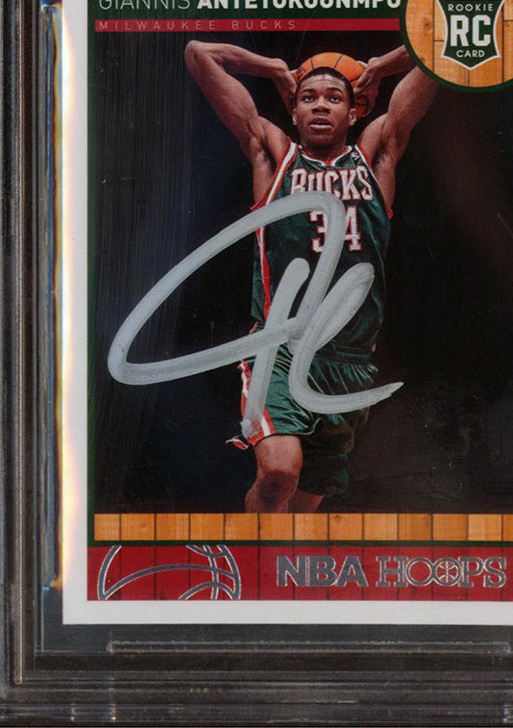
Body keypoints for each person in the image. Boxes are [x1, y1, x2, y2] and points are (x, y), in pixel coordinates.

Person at [184, 40, 436, 513]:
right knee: (279, 473)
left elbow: (439, 52)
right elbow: (200, 54)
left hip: (350, 362)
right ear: (294, 112)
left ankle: (267, 560)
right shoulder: (274, 156)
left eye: (334, 98)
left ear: (354, 112)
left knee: (301, 511)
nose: (320, 105)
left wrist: (381, 65)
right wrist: (274, 69)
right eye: (308, 97)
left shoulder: (376, 156)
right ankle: (248, 555)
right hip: (281, 348)